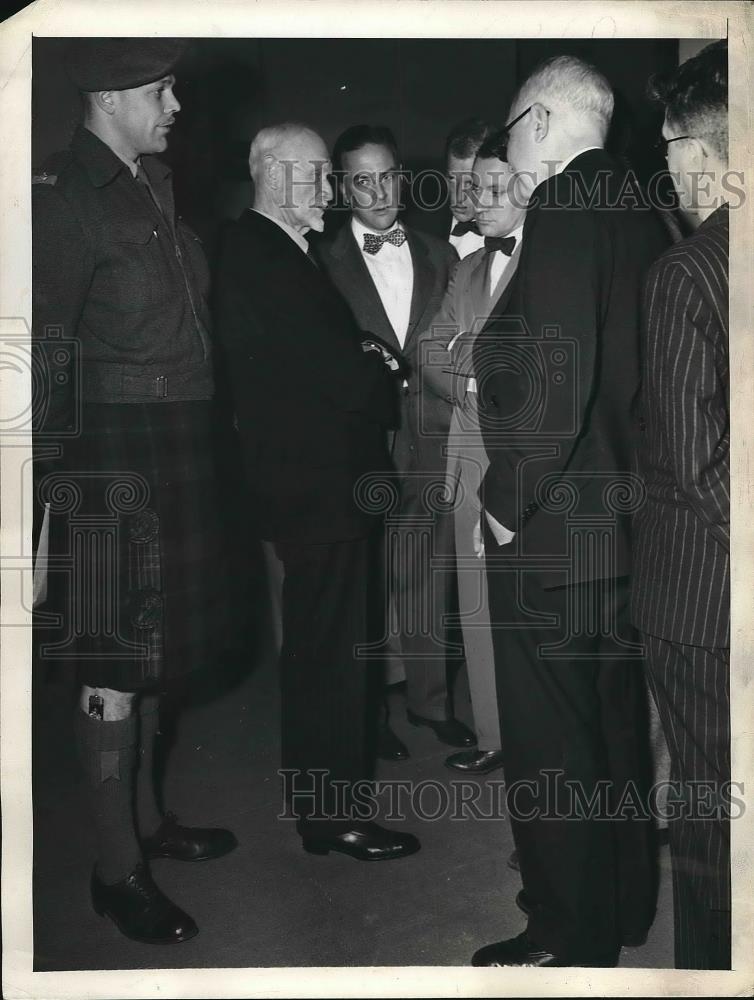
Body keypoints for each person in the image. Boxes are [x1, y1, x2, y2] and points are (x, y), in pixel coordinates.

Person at [32, 38, 237, 945]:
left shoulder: (152, 182)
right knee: (113, 662)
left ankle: (149, 823)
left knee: (153, 653)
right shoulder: (67, 200)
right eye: (160, 90)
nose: (177, 104)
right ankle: (117, 869)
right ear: (109, 97)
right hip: (111, 454)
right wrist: (40, 485)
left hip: (179, 437)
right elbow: (40, 351)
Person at [470, 55, 669, 967]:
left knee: (553, 744)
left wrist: (506, 504)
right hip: (622, 530)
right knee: (614, 731)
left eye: (511, 132)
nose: (509, 153)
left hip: (551, 528)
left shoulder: (566, 205)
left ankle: (568, 933)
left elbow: (555, 376)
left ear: (541, 122)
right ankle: (621, 907)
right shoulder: (639, 204)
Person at [213, 122, 420, 861]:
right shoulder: (269, 258)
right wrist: (384, 372)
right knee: (331, 658)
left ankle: (320, 808)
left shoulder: (259, 252)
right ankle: (336, 818)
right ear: (277, 175)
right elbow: (341, 377)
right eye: (322, 178)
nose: (333, 193)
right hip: (321, 490)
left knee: (316, 652)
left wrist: (356, 358)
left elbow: (315, 358)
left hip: (307, 487)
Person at [317, 124, 474, 761]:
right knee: (367, 579)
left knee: (429, 573)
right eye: (362, 179)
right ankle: (367, 712)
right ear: (340, 187)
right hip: (365, 443)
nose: (378, 191)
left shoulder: (444, 256)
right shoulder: (320, 263)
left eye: (387, 176)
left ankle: (430, 703)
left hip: (434, 437)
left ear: (402, 179)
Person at [632, 39, 731, 969]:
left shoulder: (687, 274)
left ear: (699, 154)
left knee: (710, 812)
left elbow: (698, 470)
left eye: (666, 147)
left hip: (705, 603)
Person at [418, 130, 525, 773]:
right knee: (477, 601)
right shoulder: (469, 267)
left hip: (524, 452)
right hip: (468, 449)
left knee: (532, 602)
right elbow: (433, 347)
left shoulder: (547, 262)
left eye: (492, 188)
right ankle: (494, 735)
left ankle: (536, 734)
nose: (476, 200)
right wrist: (476, 365)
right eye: (472, 186)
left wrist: (471, 354)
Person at [445, 118, 499, 258]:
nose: (459, 196)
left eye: (469, 183)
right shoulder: (424, 228)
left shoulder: (511, 234)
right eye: (452, 179)